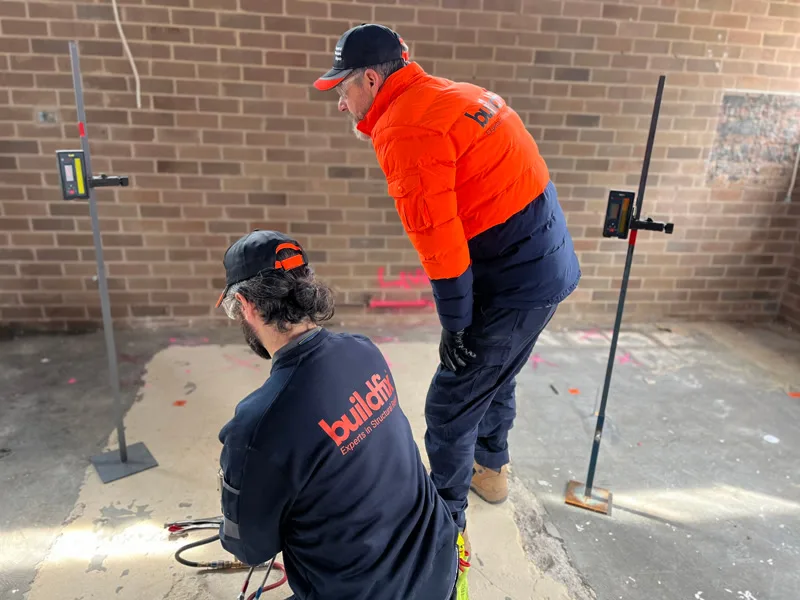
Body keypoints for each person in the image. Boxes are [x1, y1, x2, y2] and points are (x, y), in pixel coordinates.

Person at [313, 24, 582, 553]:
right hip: (541, 265)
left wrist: (456, 324)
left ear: (370, 79)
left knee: (449, 405)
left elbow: (439, 243)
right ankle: (491, 468)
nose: (341, 103)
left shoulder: (407, 129)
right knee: (493, 373)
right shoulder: (456, 95)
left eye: (343, 88)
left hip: (516, 279)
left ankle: (445, 530)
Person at [212, 230, 465, 600]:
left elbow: (251, 549)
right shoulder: (364, 351)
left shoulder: (257, 425)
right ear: (305, 285)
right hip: (439, 565)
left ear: (247, 306)